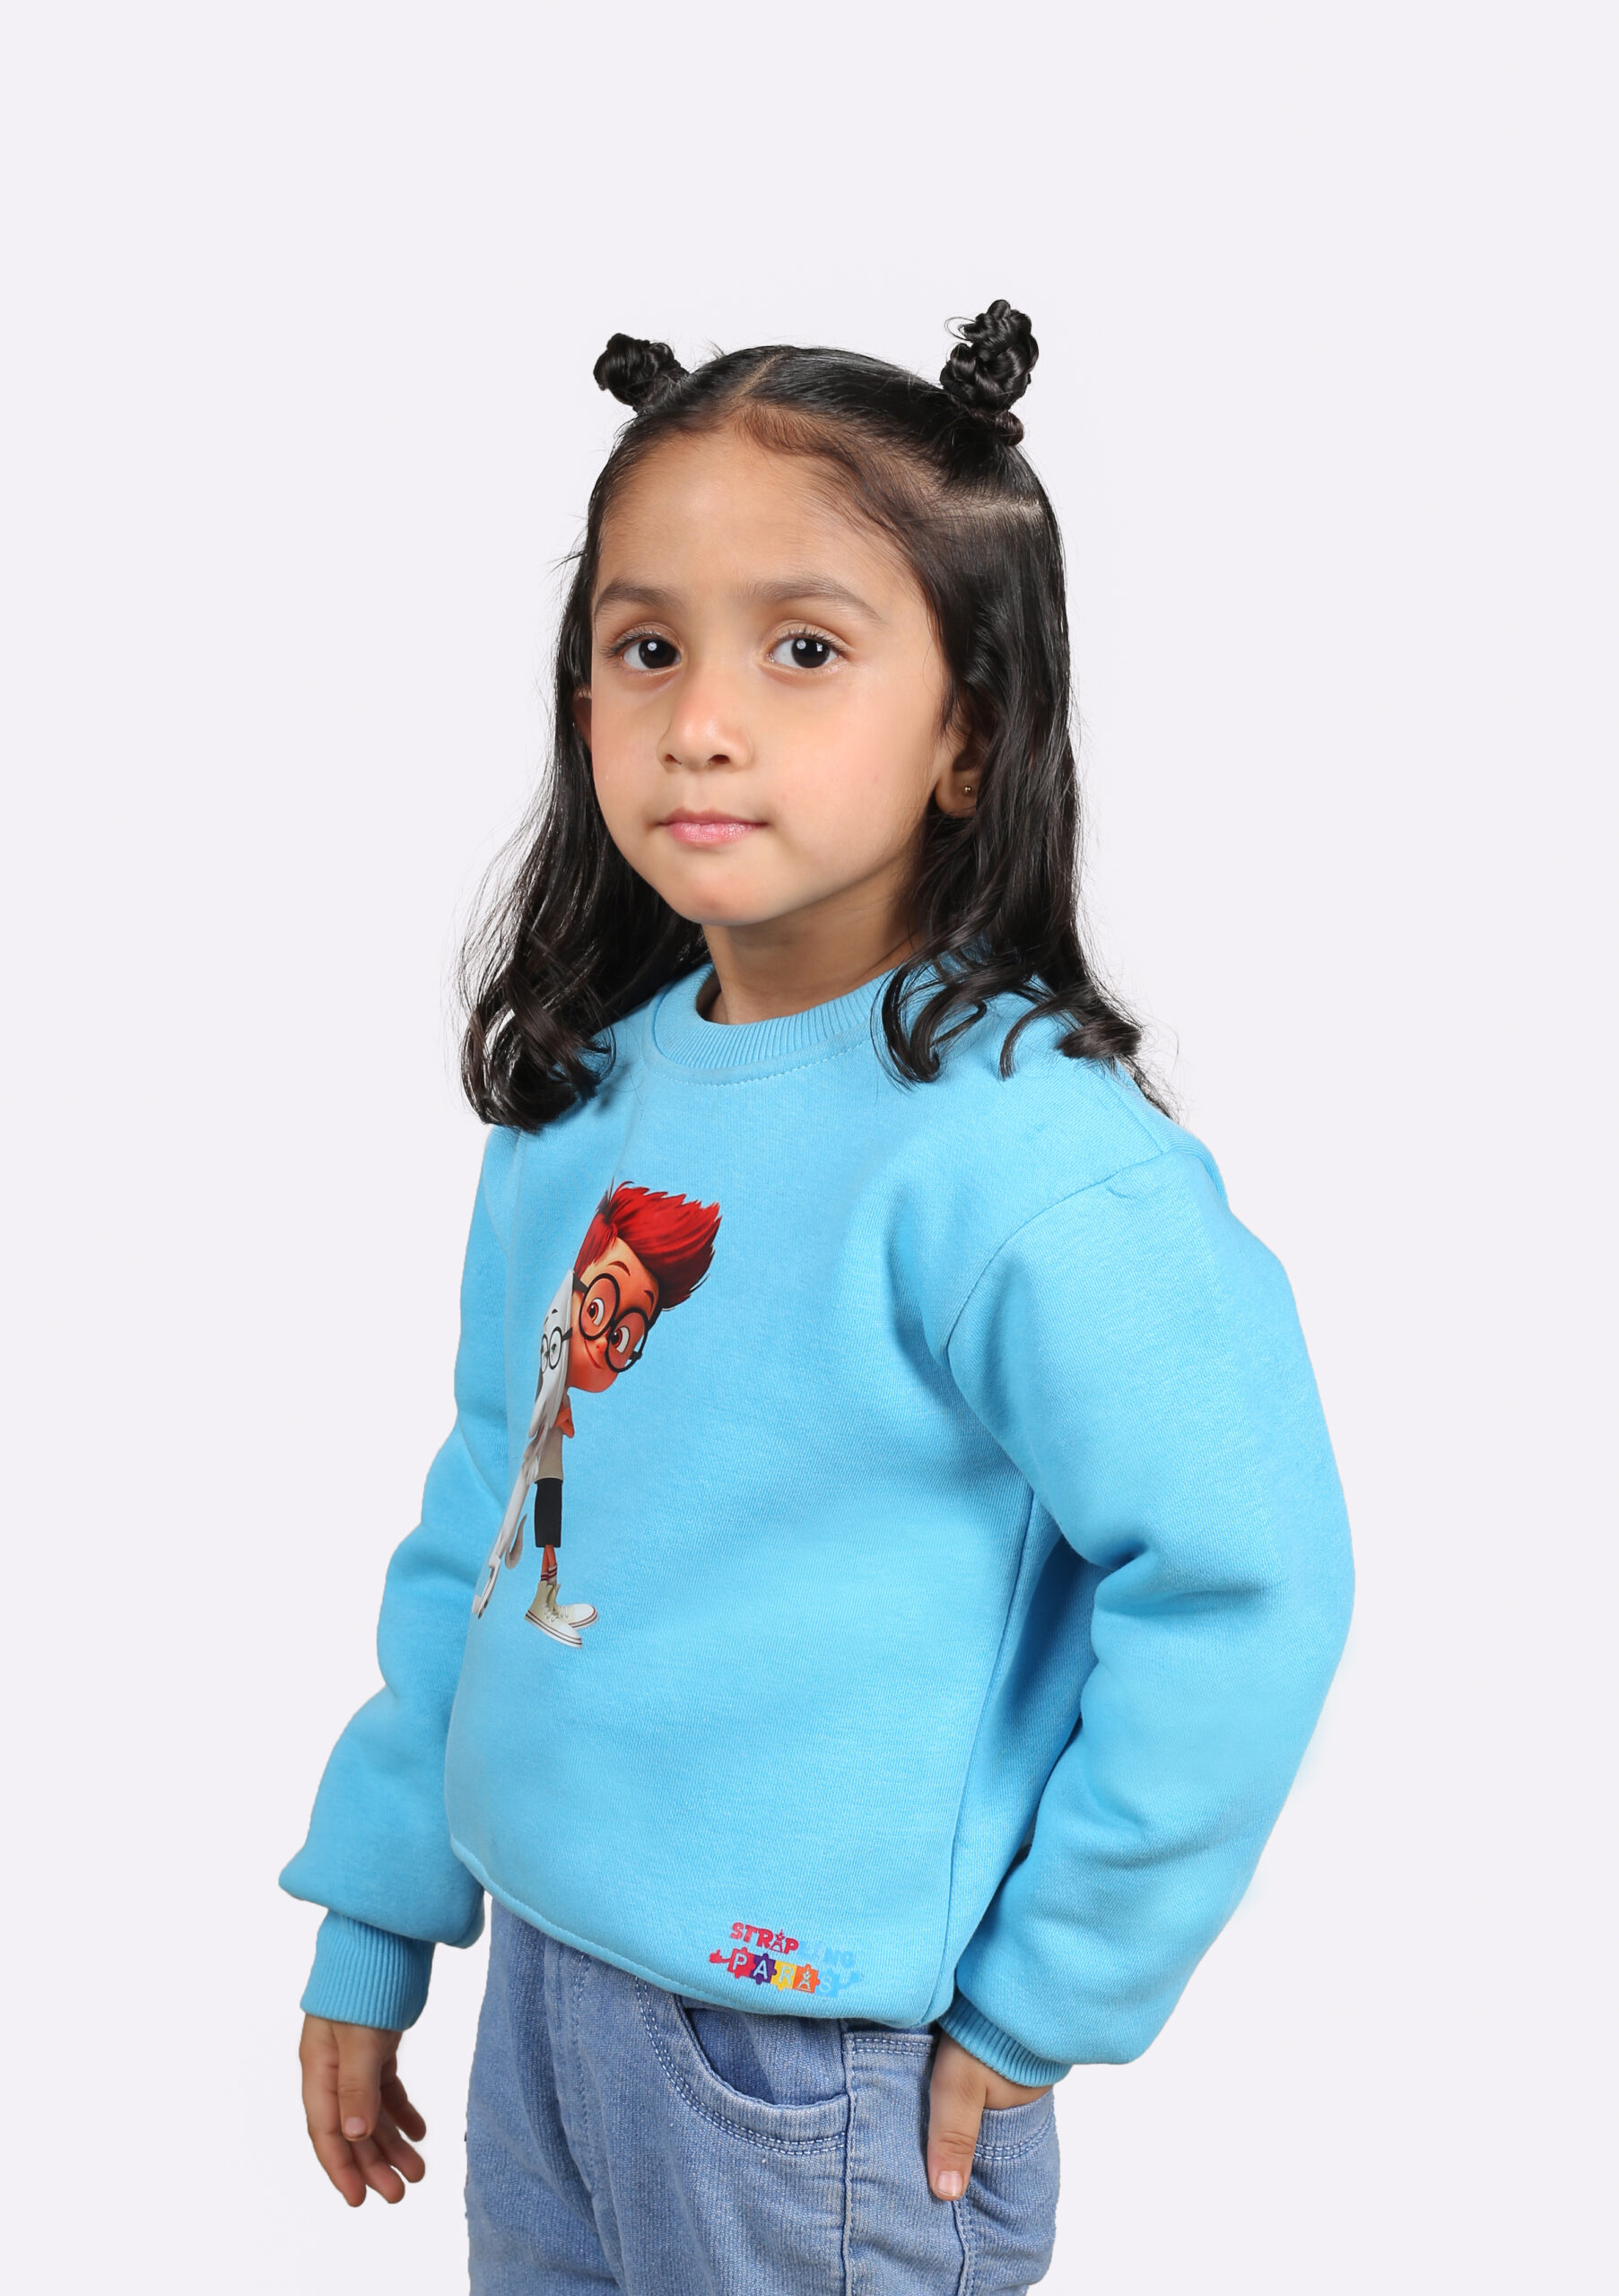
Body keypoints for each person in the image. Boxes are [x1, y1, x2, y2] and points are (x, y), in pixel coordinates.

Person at [281, 301, 1354, 2294]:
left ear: (970, 732)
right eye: (646, 646)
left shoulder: (1028, 1163)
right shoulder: (584, 1100)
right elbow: (491, 1513)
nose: (702, 719)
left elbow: (1242, 1578)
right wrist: (378, 1900)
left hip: (818, 2067)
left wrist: (1049, 1991)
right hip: (547, 1983)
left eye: (803, 648)